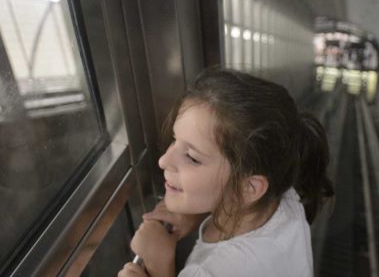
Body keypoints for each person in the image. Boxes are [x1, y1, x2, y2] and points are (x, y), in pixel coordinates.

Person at [118, 68, 334, 277]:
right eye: (175, 140)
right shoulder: (286, 199)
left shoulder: (211, 272)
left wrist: (158, 262)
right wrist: (198, 217)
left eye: (192, 157)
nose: (163, 160)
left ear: (249, 187)